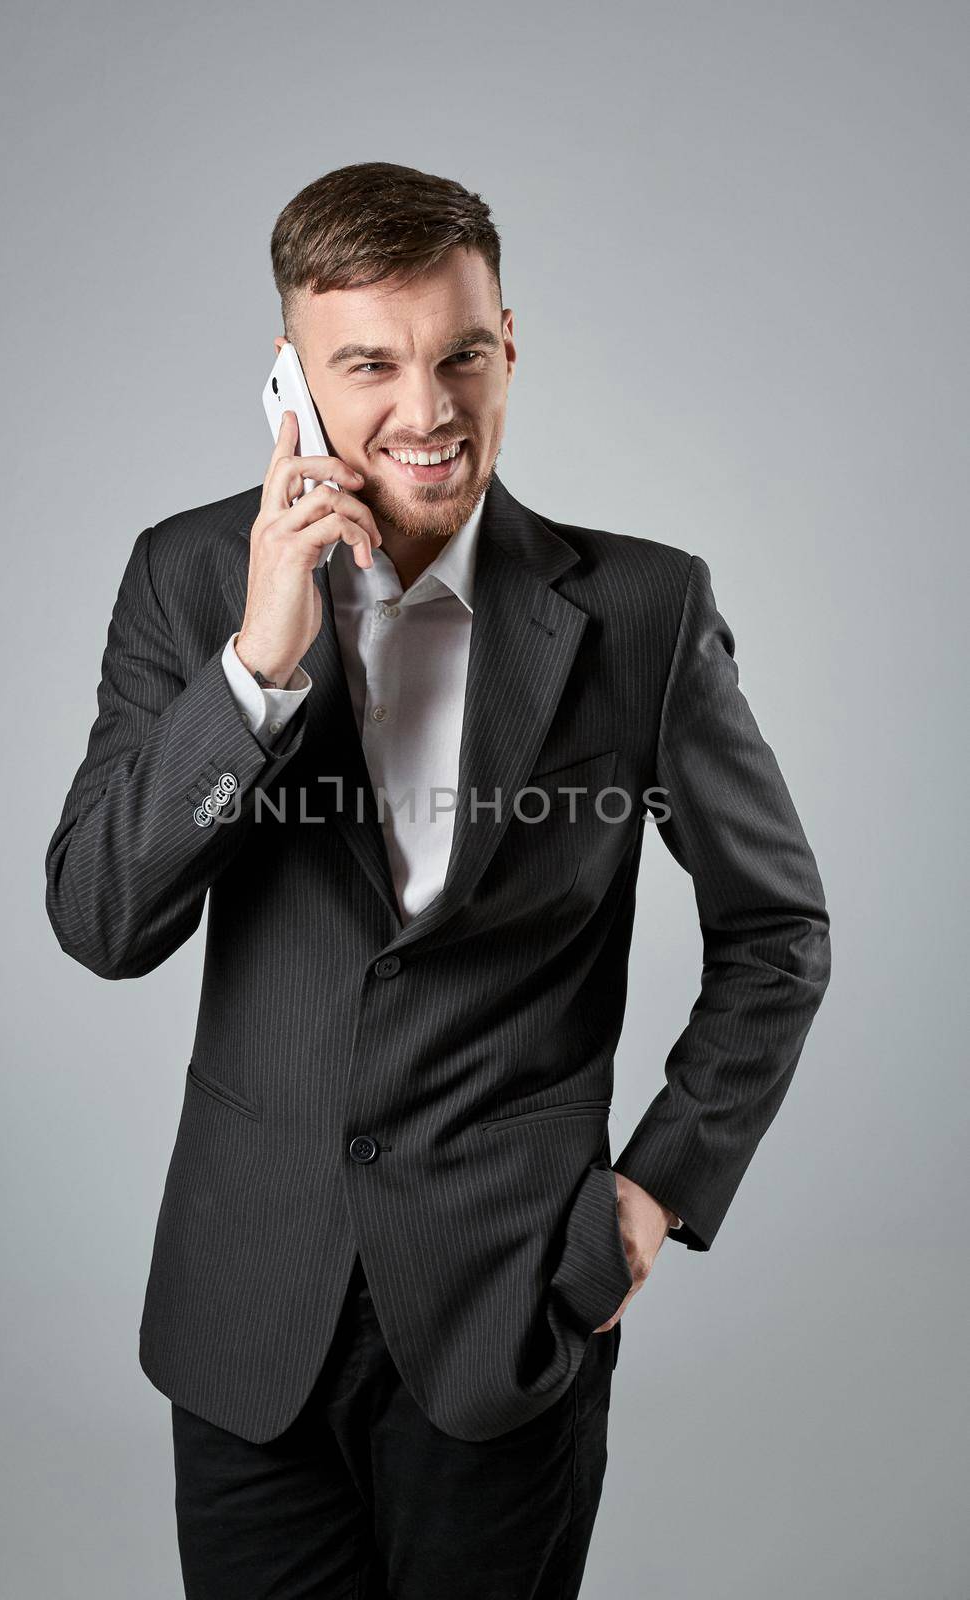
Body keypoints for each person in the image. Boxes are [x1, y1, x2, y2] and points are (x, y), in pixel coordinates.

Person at [45, 160, 831, 1599]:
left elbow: (777, 931)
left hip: (511, 1314)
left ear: (510, 348)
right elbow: (101, 919)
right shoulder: (187, 578)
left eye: (462, 354)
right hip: (247, 1309)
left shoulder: (643, 611)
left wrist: (656, 1190)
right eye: (369, 364)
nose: (429, 409)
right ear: (291, 382)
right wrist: (256, 669)